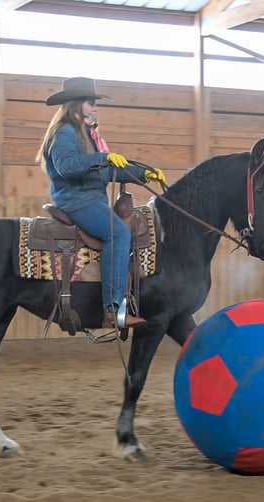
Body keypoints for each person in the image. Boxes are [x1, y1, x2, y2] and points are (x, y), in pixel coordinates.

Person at [36, 77, 166, 329]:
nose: (95, 108)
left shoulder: (87, 135)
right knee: (118, 234)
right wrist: (103, 158)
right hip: (77, 200)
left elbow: (106, 171)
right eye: (90, 103)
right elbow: (66, 166)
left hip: (90, 199)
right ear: (76, 104)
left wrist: (143, 174)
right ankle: (112, 310)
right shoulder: (64, 132)